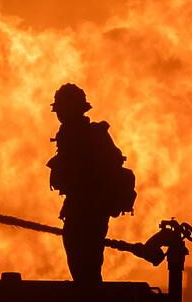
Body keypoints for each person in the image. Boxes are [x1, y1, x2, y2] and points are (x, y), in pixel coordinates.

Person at [46, 82, 130, 283]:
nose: (59, 116)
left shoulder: (88, 136)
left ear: (72, 110)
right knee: (83, 269)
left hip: (88, 212)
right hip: (80, 209)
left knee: (86, 270)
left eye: (62, 110)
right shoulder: (73, 135)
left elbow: (92, 175)